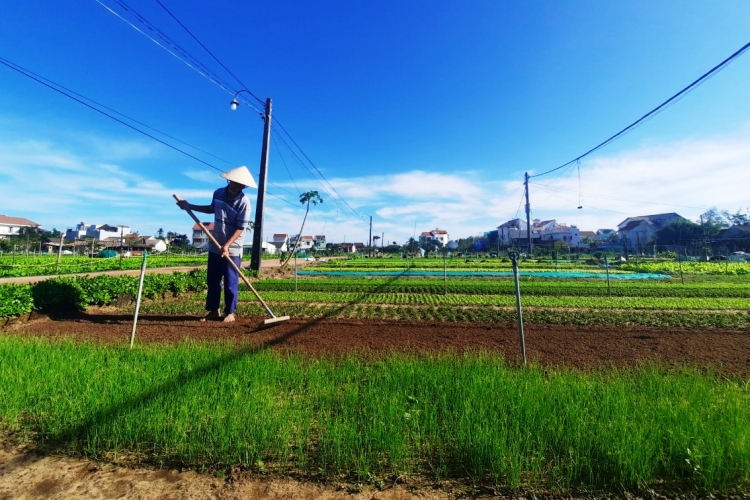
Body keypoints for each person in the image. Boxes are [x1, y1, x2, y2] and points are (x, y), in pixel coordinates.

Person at [177, 166, 256, 322]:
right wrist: (190, 206)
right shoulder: (218, 193)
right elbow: (211, 209)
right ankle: (214, 310)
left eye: (240, 185)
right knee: (213, 280)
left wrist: (227, 246)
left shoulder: (244, 203)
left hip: (232, 248)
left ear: (244, 186)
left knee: (230, 282)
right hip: (215, 244)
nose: (236, 187)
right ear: (229, 180)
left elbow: (240, 228)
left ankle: (230, 313)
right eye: (234, 183)